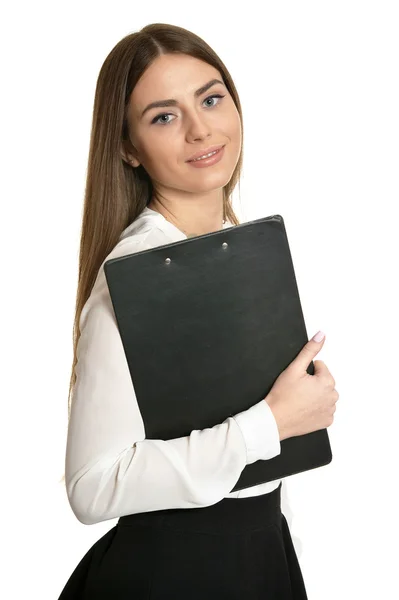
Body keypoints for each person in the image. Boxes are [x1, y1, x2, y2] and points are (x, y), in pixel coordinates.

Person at [58, 22, 339, 599]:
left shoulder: (232, 246)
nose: (200, 129)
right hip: (174, 577)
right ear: (126, 148)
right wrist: (272, 423)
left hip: (257, 558)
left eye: (210, 98)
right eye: (164, 116)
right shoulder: (137, 274)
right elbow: (91, 486)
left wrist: (278, 543)